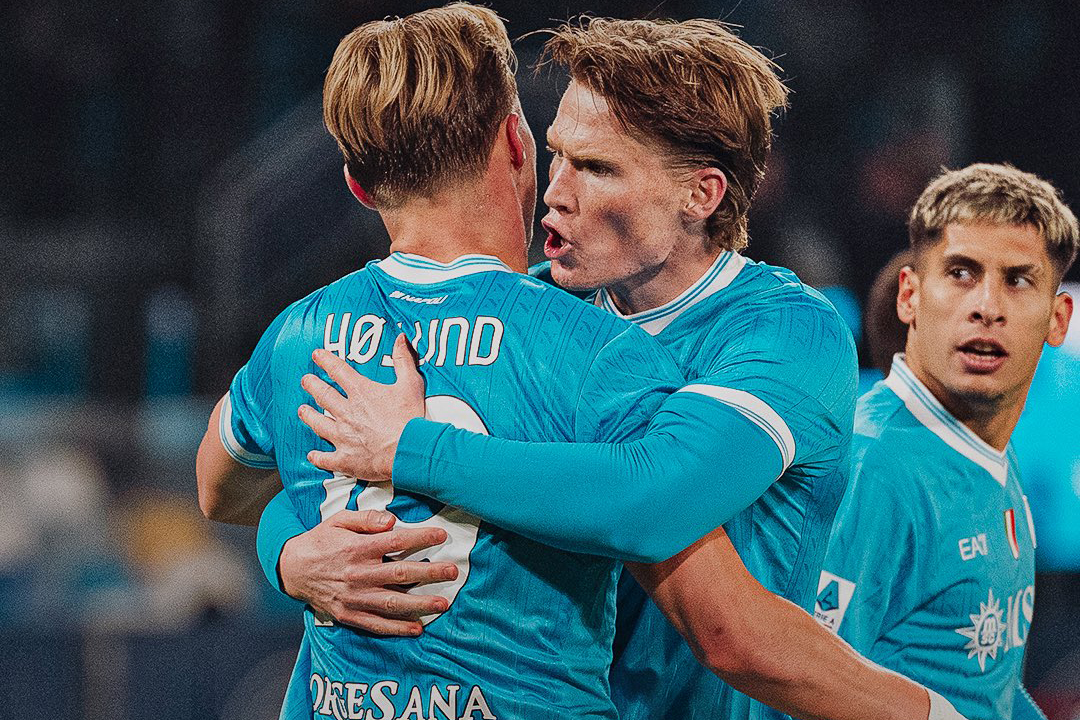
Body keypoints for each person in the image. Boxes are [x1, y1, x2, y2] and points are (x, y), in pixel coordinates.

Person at [251, 14, 968, 720]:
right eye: (556, 154)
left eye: (596, 168)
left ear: (701, 194)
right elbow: (324, 475)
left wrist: (415, 449)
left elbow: (654, 503)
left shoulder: (781, 333)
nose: (554, 192)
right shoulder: (536, 316)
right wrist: (293, 555)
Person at [197, 5, 691, 718]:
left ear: (358, 185)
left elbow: (218, 490)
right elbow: (705, 599)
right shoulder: (598, 352)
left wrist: (290, 554)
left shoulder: (299, 336)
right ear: (517, 140)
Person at [813, 163, 1076, 720]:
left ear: (1058, 319)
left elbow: (987, 690)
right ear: (909, 295)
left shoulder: (988, 453)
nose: (987, 306)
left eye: (1018, 280)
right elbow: (803, 691)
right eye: (961, 273)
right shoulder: (873, 467)